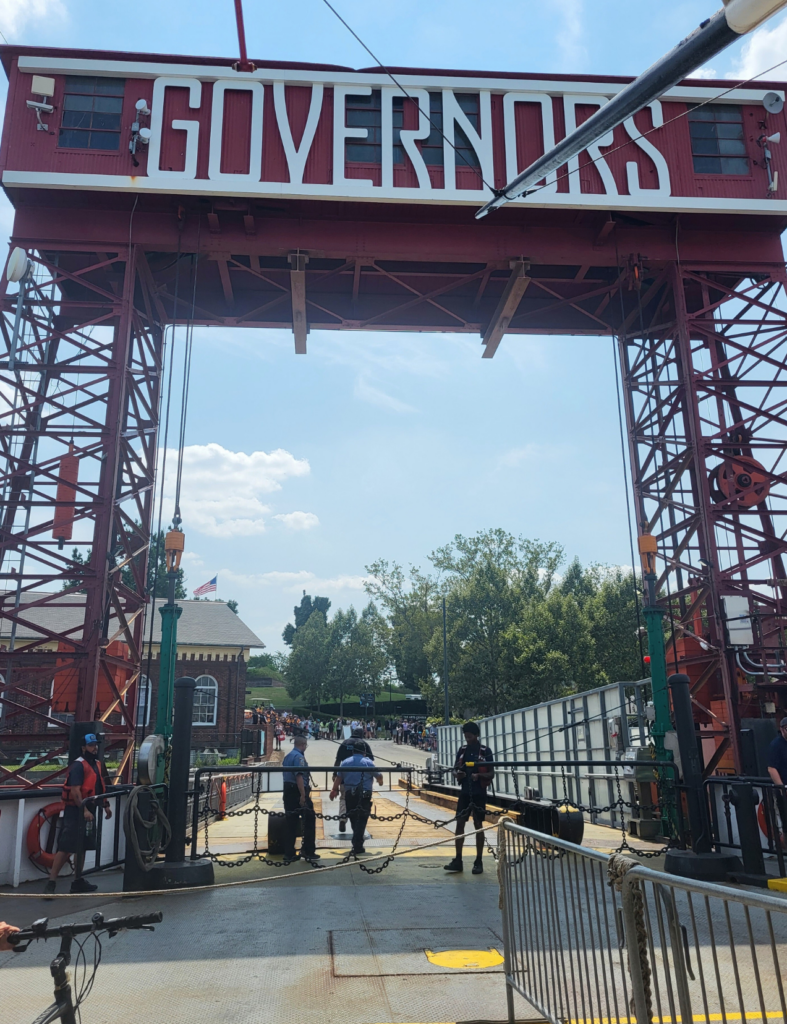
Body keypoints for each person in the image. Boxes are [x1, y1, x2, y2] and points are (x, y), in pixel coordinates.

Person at [45, 733, 112, 896]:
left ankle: (78, 881)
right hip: (76, 811)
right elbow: (75, 792)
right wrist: (85, 810)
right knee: (66, 847)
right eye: (91, 745)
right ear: (83, 747)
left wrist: (105, 805)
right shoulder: (78, 766)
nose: (94, 748)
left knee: (83, 847)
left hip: (89, 810)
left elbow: (97, 786)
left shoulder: (96, 764)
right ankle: (51, 882)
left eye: (95, 745)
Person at [444, 722, 494, 876]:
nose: (467, 739)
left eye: (470, 736)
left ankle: (478, 860)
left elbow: (491, 773)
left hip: (479, 792)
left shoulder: (485, 751)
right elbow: (455, 768)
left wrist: (479, 775)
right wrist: (457, 774)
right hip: (465, 792)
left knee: (478, 824)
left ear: (476, 735)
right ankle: (458, 859)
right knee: (460, 823)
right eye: (465, 736)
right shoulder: (462, 750)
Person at [331, 740, 383, 855]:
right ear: (364, 751)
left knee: (353, 818)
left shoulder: (345, 762)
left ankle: (357, 842)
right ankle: (357, 843)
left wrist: (334, 790)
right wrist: (380, 782)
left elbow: (338, 779)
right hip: (364, 795)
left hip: (350, 794)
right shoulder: (368, 762)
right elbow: (379, 776)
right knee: (362, 819)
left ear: (353, 751)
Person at [281, 736, 320, 864]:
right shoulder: (299, 758)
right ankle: (308, 850)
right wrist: (303, 796)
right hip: (297, 791)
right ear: (303, 744)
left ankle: (289, 853)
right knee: (309, 820)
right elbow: (299, 776)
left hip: (288, 790)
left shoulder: (288, 756)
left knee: (290, 822)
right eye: (306, 745)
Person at [333, 727, 373, 833]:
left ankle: (342, 817)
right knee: (360, 802)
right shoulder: (363, 744)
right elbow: (371, 761)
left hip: (344, 778)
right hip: (361, 781)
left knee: (343, 798)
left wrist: (334, 774)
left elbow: (337, 760)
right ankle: (358, 826)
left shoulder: (345, 743)